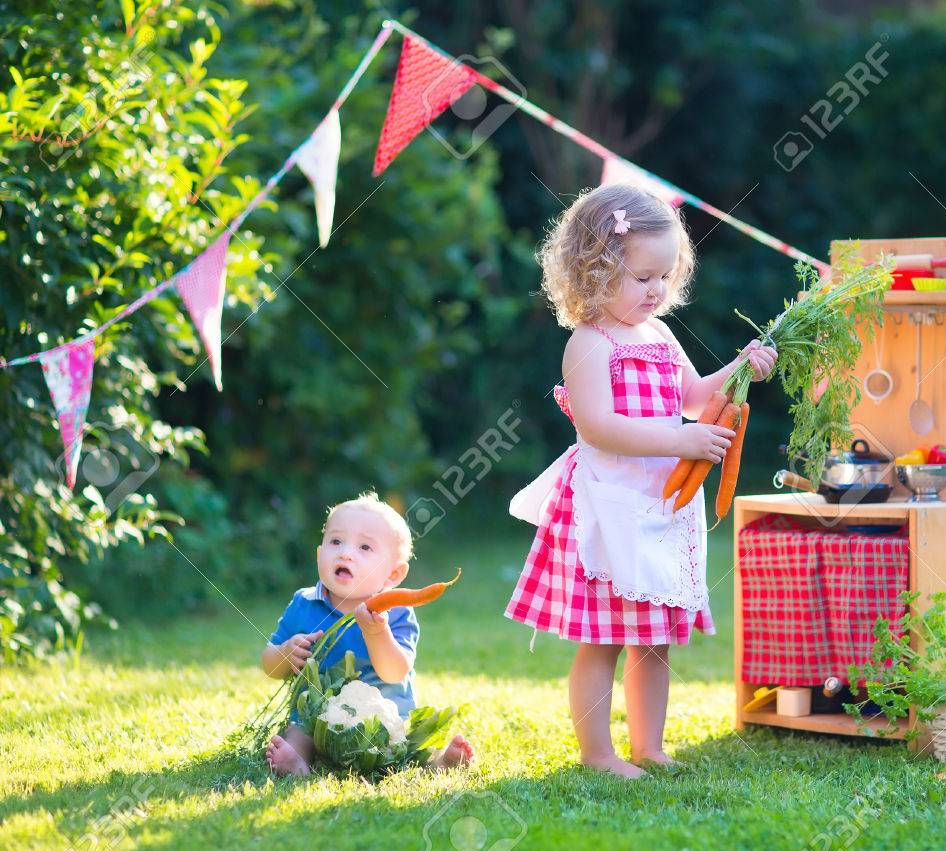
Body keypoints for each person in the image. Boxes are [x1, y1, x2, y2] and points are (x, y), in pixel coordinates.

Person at [505, 184, 775, 778]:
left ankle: (648, 747)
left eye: (664, 277)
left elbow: (694, 395)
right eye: (641, 277)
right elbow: (600, 428)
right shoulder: (588, 345)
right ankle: (598, 754)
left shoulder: (659, 336)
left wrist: (740, 368)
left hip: (661, 502)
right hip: (609, 506)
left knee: (653, 640)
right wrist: (680, 439)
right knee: (602, 639)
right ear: (595, 272)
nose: (655, 291)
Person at [263, 492, 473, 776]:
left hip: (382, 721)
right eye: (335, 541)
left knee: (407, 743)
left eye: (365, 547)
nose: (346, 552)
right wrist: (285, 653)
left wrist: (377, 632)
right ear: (319, 554)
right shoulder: (304, 603)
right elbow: (269, 664)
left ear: (393, 576)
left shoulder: (397, 612)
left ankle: (439, 763)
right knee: (299, 733)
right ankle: (297, 764)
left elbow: (395, 672)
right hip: (315, 720)